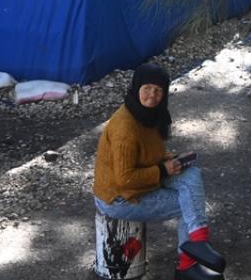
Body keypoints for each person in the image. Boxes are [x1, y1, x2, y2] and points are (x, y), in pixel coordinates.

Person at [93, 63, 226, 280]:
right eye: (146, 88)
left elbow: (148, 154)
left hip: (143, 179)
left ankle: (198, 242)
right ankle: (187, 265)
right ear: (136, 87)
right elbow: (125, 179)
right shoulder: (125, 127)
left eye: (158, 90)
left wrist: (170, 159)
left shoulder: (151, 114)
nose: (152, 96)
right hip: (118, 198)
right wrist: (163, 170)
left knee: (192, 174)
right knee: (187, 204)